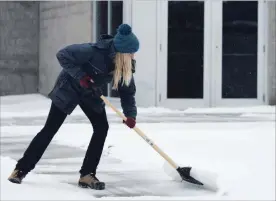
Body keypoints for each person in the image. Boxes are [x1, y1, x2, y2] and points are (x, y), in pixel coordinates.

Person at [8, 24, 139, 190]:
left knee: (101, 128)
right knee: (50, 129)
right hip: (69, 88)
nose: (134, 55)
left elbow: (127, 92)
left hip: (91, 93)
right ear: (123, 52)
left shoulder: (125, 65)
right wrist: (81, 76)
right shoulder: (93, 51)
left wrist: (131, 115)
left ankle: (87, 175)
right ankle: (20, 170)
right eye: (131, 52)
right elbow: (62, 55)